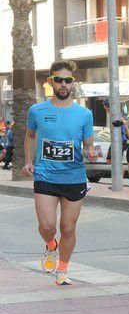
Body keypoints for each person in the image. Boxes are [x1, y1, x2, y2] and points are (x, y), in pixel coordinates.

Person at [22, 60, 97, 286]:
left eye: (68, 80)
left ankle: (63, 270)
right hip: (45, 174)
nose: (63, 84)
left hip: (74, 176)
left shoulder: (84, 114)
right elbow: (31, 136)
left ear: (73, 83)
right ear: (50, 82)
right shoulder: (37, 111)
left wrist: (91, 153)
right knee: (47, 226)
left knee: (68, 227)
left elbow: (88, 145)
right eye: (59, 80)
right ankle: (51, 245)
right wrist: (28, 161)